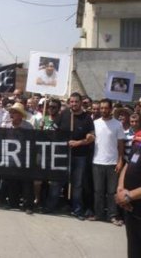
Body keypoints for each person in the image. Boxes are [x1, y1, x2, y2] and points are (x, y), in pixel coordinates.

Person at [53, 92, 95, 220]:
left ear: (81, 102)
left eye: (76, 102)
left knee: (77, 184)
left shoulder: (87, 118)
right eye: (71, 102)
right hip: (63, 155)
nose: (74, 104)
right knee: (57, 181)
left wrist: (79, 142)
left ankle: (77, 210)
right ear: (69, 102)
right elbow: (53, 131)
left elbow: (91, 137)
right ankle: (50, 205)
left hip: (80, 156)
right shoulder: (63, 115)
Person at [91, 98, 125, 226]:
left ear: (111, 109)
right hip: (97, 161)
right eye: (102, 108)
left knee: (112, 192)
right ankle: (98, 214)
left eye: (106, 108)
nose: (104, 110)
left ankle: (112, 216)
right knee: (98, 191)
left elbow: (121, 144)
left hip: (112, 163)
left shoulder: (117, 124)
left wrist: (120, 161)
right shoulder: (95, 123)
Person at [116, 144, 141, 258]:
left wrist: (129, 196)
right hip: (131, 211)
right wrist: (121, 189)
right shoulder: (137, 147)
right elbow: (126, 166)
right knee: (133, 250)